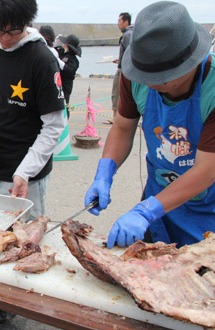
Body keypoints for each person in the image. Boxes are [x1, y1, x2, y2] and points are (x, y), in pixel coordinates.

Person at [0, 0, 66, 326]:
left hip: (27, 173)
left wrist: (25, 170)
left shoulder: (42, 60)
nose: (4, 37)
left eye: (12, 30)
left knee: (20, 242)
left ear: (27, 22)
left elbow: (54, 126)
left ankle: (7, 305)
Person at [84, 1, 215, 250]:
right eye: (146, 76)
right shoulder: (137, 76)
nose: (151, 84)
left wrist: (145, 211)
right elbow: (123, 127)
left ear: (191, 63)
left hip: (207, 206)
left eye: (161, 78)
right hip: (159, 192)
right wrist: (105, 172)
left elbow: (206, 171)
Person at [104, 12, 133, 125]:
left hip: (123, 70)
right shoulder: (131, 33)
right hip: (127, 68)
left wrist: (123, 62)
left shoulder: (127, 34)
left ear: (126, 21)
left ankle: (115, 118)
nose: (118, 24)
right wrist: (120, 59)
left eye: (119, 21)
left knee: (116, 93)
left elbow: (130, 52)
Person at [58, 34, 81, 117]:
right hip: (58, 82)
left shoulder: (73, 59)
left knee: (64, 104)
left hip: (66, 84)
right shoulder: (61, 52)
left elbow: (69, 71)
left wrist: (60, 62)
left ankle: (65, 121)